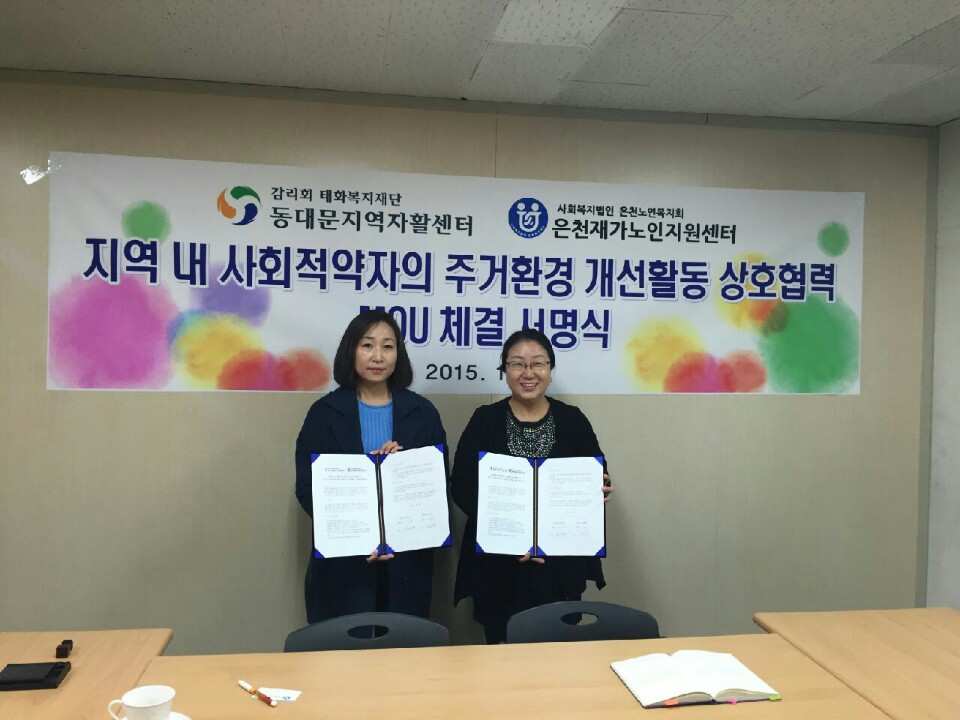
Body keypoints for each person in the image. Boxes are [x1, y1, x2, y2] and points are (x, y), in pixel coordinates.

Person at [451, 328, 613, 643]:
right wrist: (511, 537)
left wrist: (600, 487)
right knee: (500, 657)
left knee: (558, 656)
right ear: (505, 370)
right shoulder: (485, 420)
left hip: (560, 567)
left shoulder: (572, 420)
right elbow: (462, 486)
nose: (528, 373)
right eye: (517, 364)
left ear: (550, 370)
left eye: (538, 363)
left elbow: (595, 473)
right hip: (499, 566)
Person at [295, 309, 447, 624]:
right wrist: (359, 532)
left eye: (387, 346)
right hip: (343, 565)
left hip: (406, 564)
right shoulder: (324, 413)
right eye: (367, 345)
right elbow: (307, 487)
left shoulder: (423, 413)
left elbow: (437, 486)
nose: (378, 356)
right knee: (345, 651)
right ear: (351, 350)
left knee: (404, 648)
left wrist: (403, 465)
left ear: (398, 354)